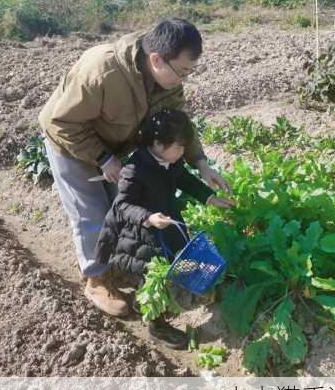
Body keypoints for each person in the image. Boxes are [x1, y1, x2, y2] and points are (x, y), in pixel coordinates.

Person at [39, 17, 232, 317]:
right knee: (91, 213)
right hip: (70, 142)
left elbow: (178, 123)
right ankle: (97, 279)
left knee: (126, 205)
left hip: (116, 144)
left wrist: (201, 164)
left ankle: (119, 263)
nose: (183, 79)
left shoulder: (165, 81)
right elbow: (61, 122)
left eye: (189, 72)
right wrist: (104, 160)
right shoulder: (102, 72)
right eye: (181, 71)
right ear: (156, 59)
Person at [94, 109, 233, 348]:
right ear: (158, 144)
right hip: (142, 236)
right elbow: (122, 206)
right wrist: (148, 217)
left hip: (167, 225)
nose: (181, 154)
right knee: (150, 279)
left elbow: (185, 179)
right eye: (178, 148)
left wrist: (209, 198)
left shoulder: (172, 160)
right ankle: (156, 326)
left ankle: (183, 296)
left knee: (174, 262)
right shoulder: (134, 170)